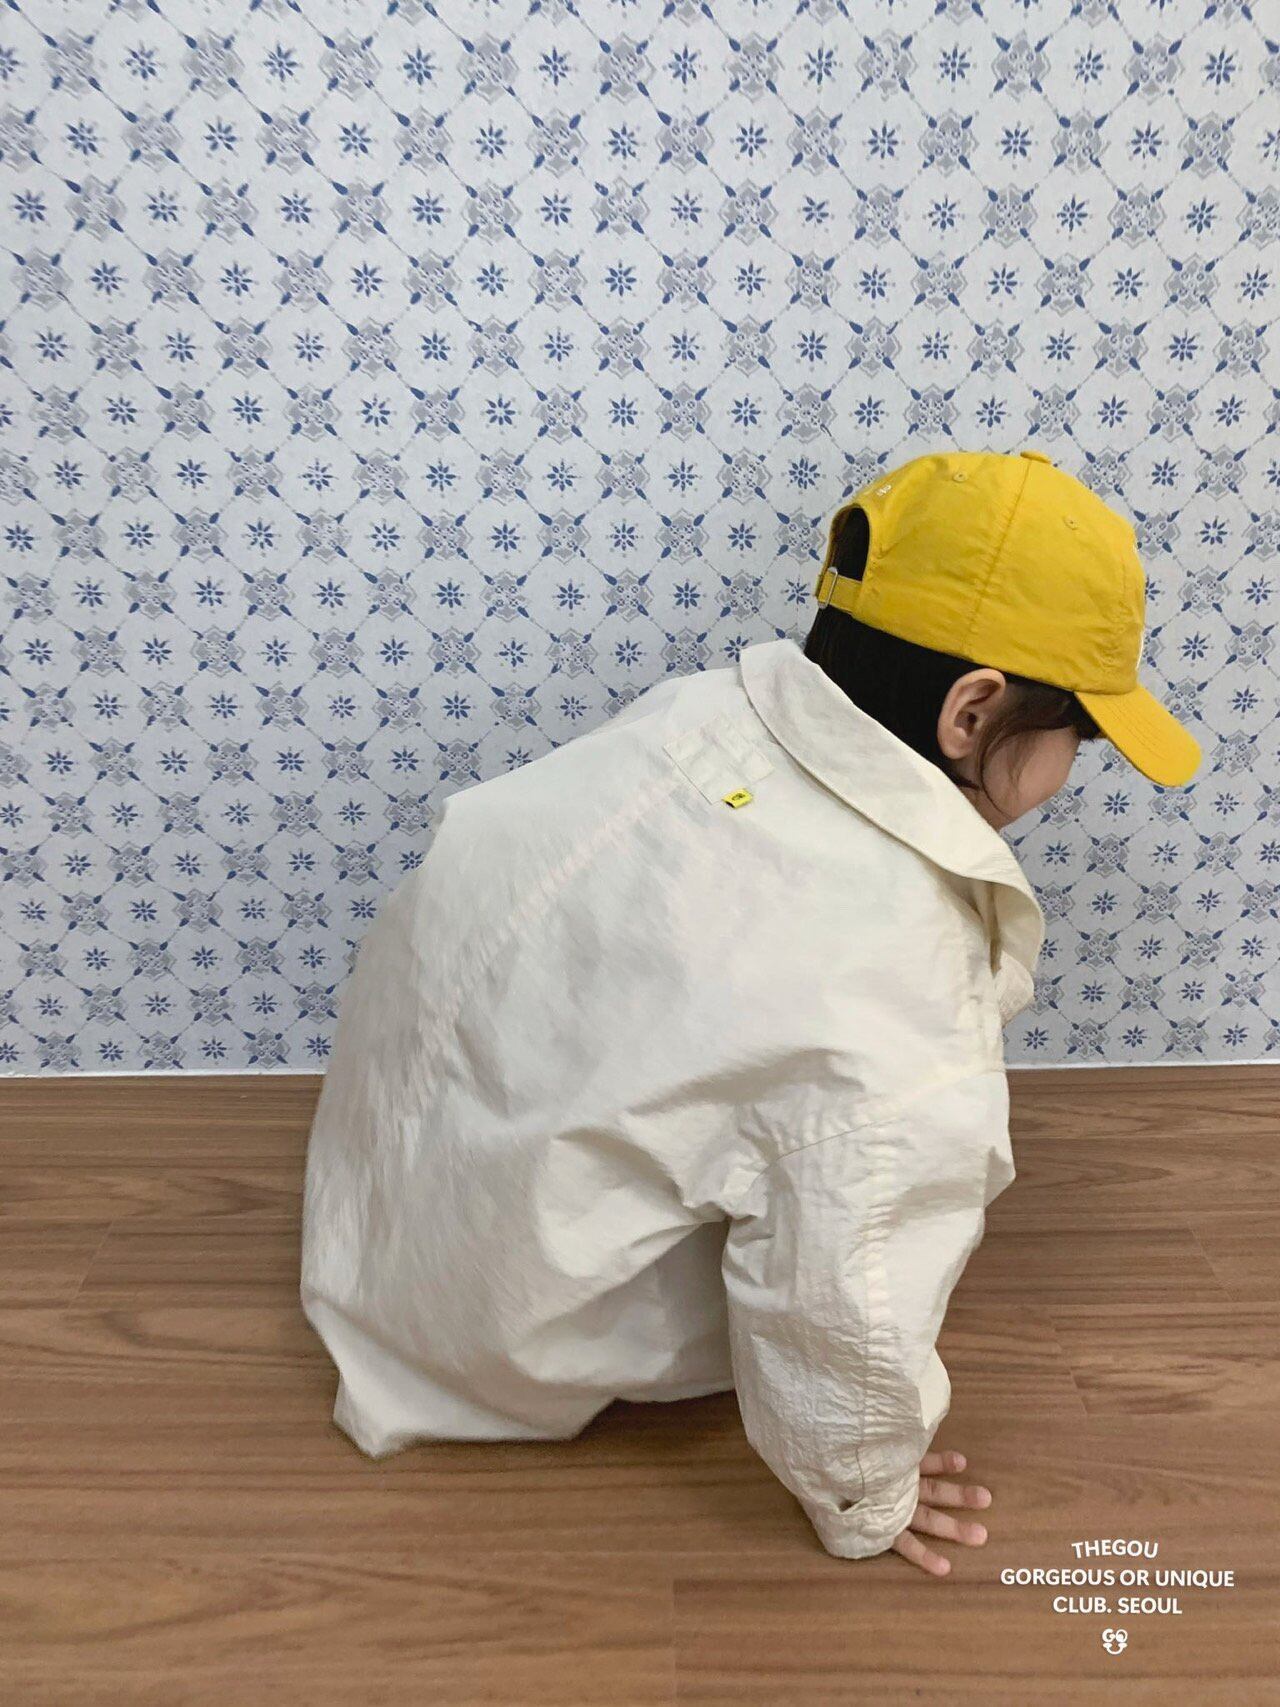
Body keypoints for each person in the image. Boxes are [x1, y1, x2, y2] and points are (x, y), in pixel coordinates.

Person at [299, 448, 1202, 1576]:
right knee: (844, 1172)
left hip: (377, 1221)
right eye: (1080, 734)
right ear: (973, 712)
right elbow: (846, 1300)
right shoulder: (891, 983)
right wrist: (865, 1493)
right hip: (503, 1338)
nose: (1073, 767)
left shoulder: (697, 721)